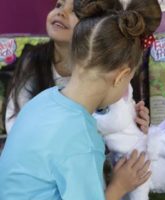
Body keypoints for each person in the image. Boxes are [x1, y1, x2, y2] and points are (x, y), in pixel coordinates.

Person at [0, 0, 165, 200]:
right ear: (121, 76)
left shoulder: (47, 99)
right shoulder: (81, 135)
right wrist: (120, 184)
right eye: (128, 80)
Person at [5, 0, 150, 134]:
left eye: (75, 11)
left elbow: (117, 126)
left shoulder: (109, 71)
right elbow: (15, 121)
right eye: (59, 5)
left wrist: (132, 123)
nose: (61, 12)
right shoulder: (32, 61)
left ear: (99, 27)